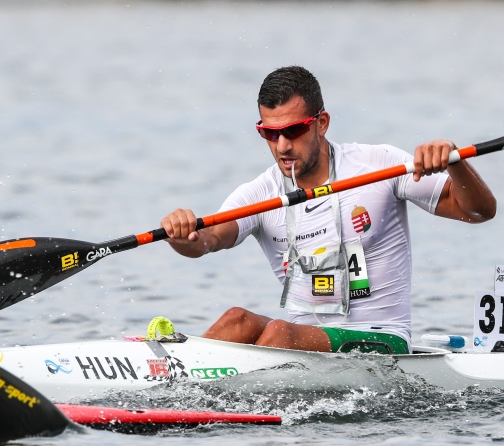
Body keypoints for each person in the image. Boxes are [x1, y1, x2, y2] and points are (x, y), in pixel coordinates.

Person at [160, 66, 496, 354]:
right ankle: (172, 393)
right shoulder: (261, 193)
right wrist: (181, 234)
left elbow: (480, 211)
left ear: (322, 123)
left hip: (383, 340)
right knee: (237, 320)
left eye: (293, 130)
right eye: (269, 133)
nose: (282, 146)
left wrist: (455, 161)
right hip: (299, 343)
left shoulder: (377, 165)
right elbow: (206, 240)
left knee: (280, 332)